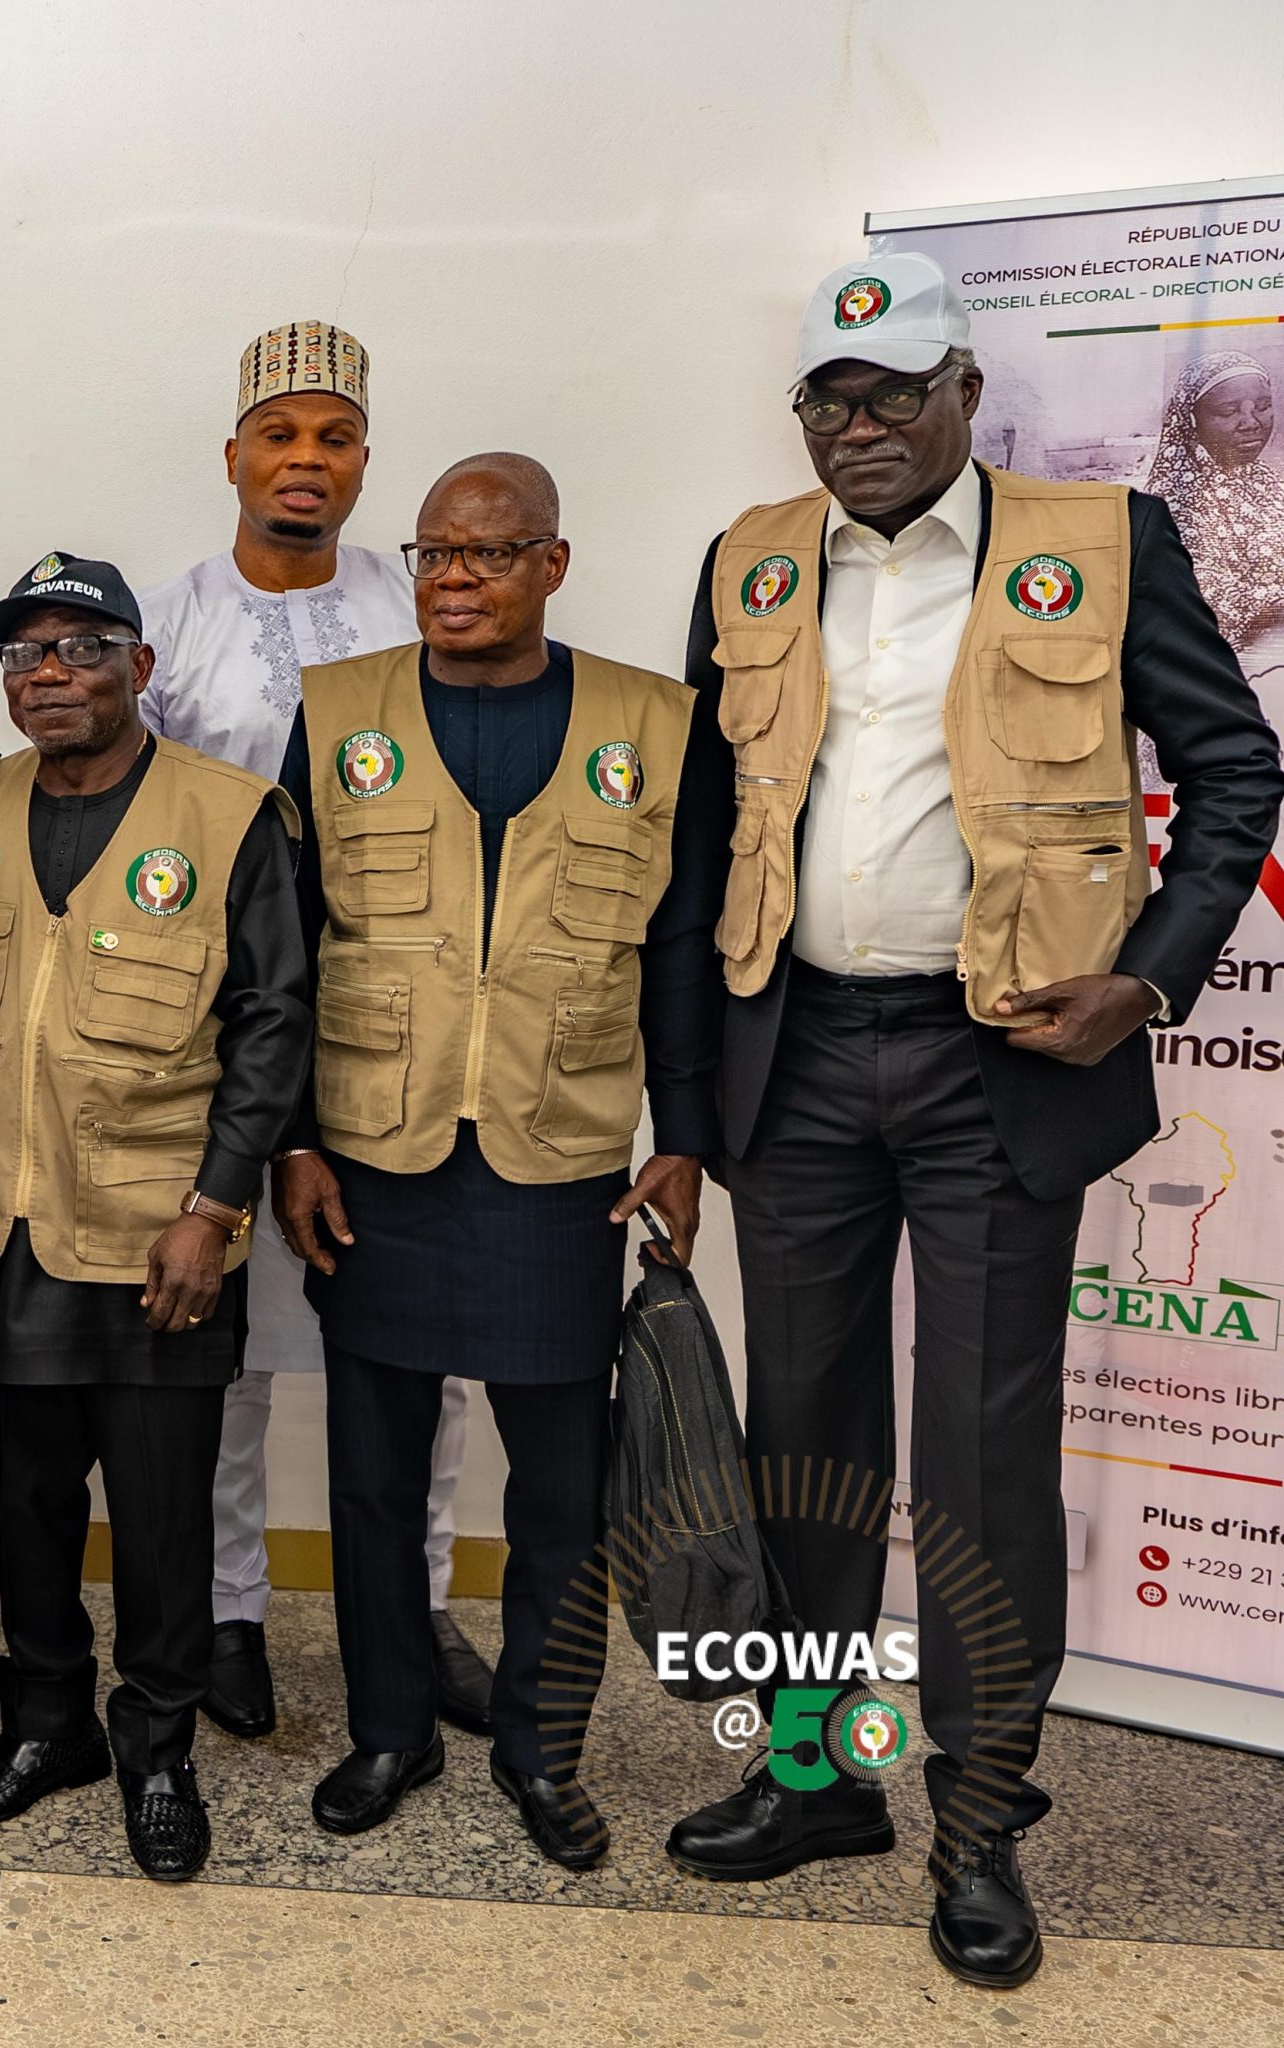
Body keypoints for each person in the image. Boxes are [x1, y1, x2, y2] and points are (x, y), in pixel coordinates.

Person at [662, 254, 1284, 1990]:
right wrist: (686, 1105)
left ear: (966, 395)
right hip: (794, 1053)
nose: (860, 425)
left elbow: (1236, 769)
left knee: (983, 1454)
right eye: (831, 398)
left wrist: (1147, 977)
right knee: (806, 1434)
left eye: (896, 393)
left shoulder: (1101, 542)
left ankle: (982, 1817)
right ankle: (813, 1778)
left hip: (997, 1056)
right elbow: (702, 837)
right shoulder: (749, 559)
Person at [274, 454, 723, 1867]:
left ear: (553, 563)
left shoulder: (654, 724)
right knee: (372, 1477)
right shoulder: (336, 712)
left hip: (560, 1153)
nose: (455, 579)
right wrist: (293, 1138)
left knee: (559, 1493)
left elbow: (683, 945)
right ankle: (389, 1729)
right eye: (434, 554)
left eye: (488, 552)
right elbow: (286, 942)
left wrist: (685, 1136)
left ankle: (541, 1747)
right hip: (377, 1148)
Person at [0, 554, 310, 1880]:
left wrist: (217, 1207)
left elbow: (274, 1025)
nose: (50, 674)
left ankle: (156, 1749)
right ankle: (47, 1727)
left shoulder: (229, 814)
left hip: (160, 1240)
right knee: (29, 1511)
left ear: (141, 666)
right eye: (24, 653)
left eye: (81, 648)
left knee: (159, 1523)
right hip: (11, 1235)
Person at [140, 321, 492, 1740]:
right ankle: (229, 1613)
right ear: (231, 455)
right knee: (220, 1348)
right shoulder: (170, 621)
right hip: (222, 1030)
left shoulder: (421, 606)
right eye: (279, 435)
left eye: (334, 437)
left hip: (400, 1021)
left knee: (424, 1343)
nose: (306, 460)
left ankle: (416, 1606)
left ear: (364, 460)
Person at [1144, 352, 1284, 685]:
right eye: (1229, 411)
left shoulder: (1269, 481)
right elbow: (1212, 604)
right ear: (1191, 420)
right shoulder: (1173, 500)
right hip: (1218, 680)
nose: (1251, 422)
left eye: (1262, 406)